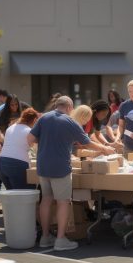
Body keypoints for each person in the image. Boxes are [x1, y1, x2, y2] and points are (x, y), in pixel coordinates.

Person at [27, 96, 115, 251]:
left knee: (46, 199)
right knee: (63, 202)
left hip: (42, 166)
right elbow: (87, 142)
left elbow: (30, 138)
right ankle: (61, 239)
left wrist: (47, 143)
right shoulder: (70, 122)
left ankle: (45, 237)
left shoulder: (43, 118)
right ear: (69, 107)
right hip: (60, 167)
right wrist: (105, 149)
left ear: (57, 105)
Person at [0, 108, 39, 190]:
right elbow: (35, 144)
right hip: (17, 163)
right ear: (34, 120)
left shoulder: (11, 127)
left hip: (2, 161)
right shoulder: (29, 131)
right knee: (26, 192)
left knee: (12, 194)